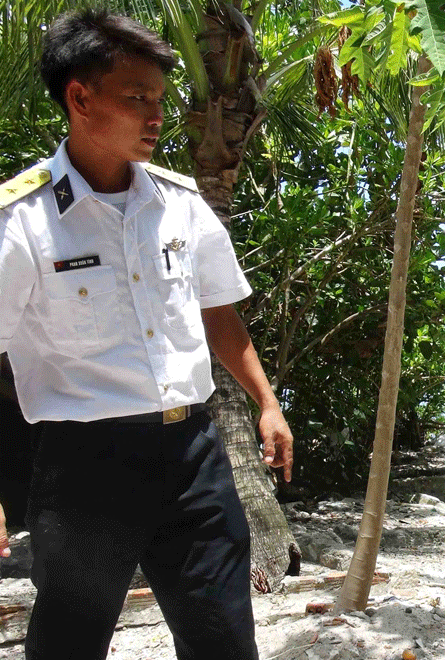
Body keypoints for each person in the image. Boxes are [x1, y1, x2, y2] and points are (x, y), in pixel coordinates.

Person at [0, 9, 293, 659]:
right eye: (137, 98)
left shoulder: (181, 203)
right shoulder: (21, 221)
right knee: (68, 646)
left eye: (161, 99)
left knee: (224, 643)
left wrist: (266, 402)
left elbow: (219, 312)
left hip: (194, 457)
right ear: (80, 97)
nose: (157, 116)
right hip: (84, 468)